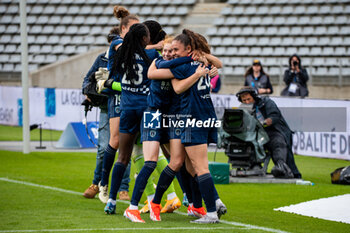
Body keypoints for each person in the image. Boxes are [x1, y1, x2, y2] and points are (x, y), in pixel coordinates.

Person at [147, 29, 225, 224]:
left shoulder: (182, 65)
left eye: (176, 49)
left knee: (198, 166)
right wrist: (205, 58)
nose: (173, 53)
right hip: (205, 116)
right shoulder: (203, 63)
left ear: (188, 49)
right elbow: (219, 64)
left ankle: (211, 213)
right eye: (170, 49)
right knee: (190, 166)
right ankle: (212, 202)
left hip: (191, 118)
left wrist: (156, 60)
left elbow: (153, 74)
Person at [96, 6, 140, 204]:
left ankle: (145, 187)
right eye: (133, 29)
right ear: (123, 29)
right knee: (115, 141)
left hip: (135, 94)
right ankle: (104, 183)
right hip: (119, 95)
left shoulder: (137, 47)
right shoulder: (118, 42)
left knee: (140, 145)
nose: (137, 33)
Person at [82, 27, 129, 200]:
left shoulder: (128, 60)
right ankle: (97, 183)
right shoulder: (102, 59)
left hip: (125, 104)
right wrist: (89, 91)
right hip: (106, 105)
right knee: (104, 147)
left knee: (125, 148)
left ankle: (123, 188)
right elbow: (87, 80)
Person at [236, 87, 302, 179]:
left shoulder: (266, 102)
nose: (247, 102)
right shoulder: (243, 109)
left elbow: (275, 116)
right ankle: (253, 166)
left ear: (254, 97)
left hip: (275, 130)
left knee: (278, 143)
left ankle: (282, 167)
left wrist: (265, 123)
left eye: (248, 99)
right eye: (244, 100)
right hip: (258, 134)